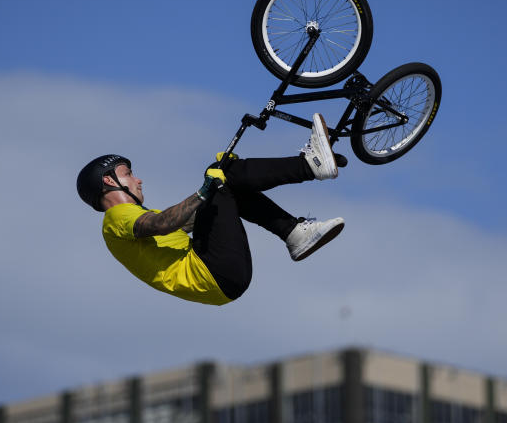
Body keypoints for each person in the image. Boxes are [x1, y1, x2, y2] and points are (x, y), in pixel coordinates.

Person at [76, 114, 345, 305]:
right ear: (109, 181)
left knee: (225, 181)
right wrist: (206, 189)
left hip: (222, 278)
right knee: (219, 177)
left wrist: (225, 183)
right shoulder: (116, 218)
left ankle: (295, 233)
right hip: (213, 270)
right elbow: (161, 225)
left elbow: (195, 217)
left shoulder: (132, 220)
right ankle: (310, 165)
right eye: (129, 174)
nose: (138, 179)